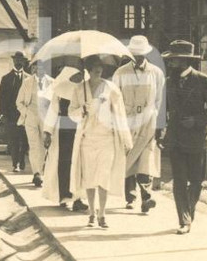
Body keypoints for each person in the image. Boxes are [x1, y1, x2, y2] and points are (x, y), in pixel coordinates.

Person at [159, 40, 207, 234]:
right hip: (176, 138)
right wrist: (160, 131)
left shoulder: (203, 81)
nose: (170, 64)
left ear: (184, 60)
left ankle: (189, 212)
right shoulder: (169, 82)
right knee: (179, 180)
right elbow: (163, 109)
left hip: (197, 139)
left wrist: (196, 120)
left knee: (196, 180)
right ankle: (184, 220)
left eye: (173, 60)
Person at [69, 56, 133, 229]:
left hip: (107, 139)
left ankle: (102, 214)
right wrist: (82, 109)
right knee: (89, 178)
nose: (99, 70)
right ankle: (91, 213)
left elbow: (120, 114)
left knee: (103, 177)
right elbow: (71, 113)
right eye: (95, 68)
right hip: (87, 139)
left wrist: (126, 139)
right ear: (88, 70)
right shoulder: (79, 89)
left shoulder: (111, 89)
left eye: (100, 68)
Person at [113, 35, 166, 215]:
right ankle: (130, 196)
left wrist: (158, 122)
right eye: (135, 54)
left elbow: (159, 100)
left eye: (141, 55)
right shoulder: (120, 73)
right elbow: (114, 98)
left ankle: (146, 197)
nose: (139, 58)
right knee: (128, 156)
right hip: (126, 120)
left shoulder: (156, 73)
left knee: (146, 157)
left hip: (147, 120)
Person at [42, 65, 87, 210]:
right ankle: (64, 196)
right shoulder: (60, 92)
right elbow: (53, 110)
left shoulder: (84, 90)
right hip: (62, 129)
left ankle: (78, 198)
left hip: (79, 128)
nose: (78, 78)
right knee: (63, 163)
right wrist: (47, 132)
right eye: (76, 76)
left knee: (79, 163)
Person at [17, 58, 51, 187]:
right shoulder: (27, 82)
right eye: (37, 67)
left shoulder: (52, 82)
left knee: (43, 145)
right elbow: (18, 102)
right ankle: (37, 173)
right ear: (34, 68)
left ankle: (40, 171)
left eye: (42, 67)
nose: (39, 69)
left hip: (46, 118)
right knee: (34, 144)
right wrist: (26, 112)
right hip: (31, 115)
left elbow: (54, 102)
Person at [0, 51, 29, 172]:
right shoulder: (6, 78)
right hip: (11, 115)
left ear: (24, 62)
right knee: (14, 140)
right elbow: (1, 97)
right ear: (13, 61)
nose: (19, 62)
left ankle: (22, 160)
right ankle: (15, 164)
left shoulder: (29, 78)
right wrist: (1, 113)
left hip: (25, 114)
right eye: (17, 59)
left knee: (25, 140)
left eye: (21, 60)